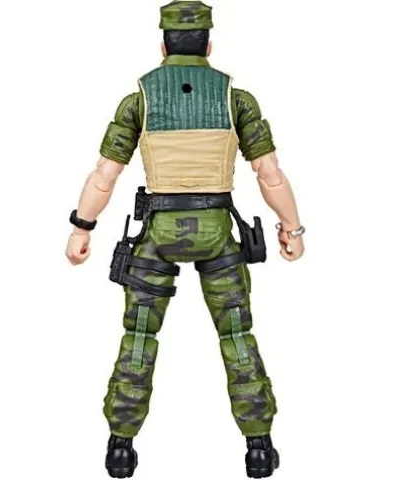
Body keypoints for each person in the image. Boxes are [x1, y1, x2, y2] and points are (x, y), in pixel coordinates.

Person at [66, 2, 305, 478]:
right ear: (209, 46)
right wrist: (291, 228)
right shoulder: (236, 98)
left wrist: (81, 227)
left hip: (158, 234)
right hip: (217, 233)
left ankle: (120, 448)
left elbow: (104, 174)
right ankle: (258, 448)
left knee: (139, 336)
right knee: (237, 335)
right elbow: (269, 173)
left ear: (163, 46)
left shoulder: (139, 99)